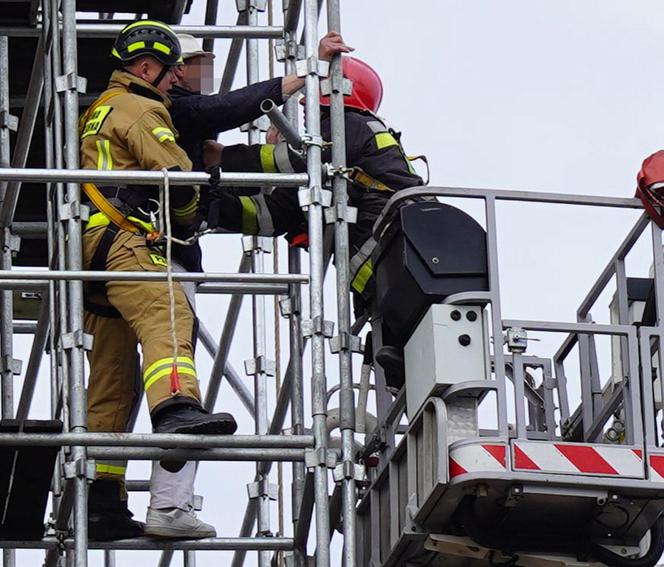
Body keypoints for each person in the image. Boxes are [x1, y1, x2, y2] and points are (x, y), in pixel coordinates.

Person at [79, 19, 236, 541]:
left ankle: (101, 499)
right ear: (147, 67)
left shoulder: (100, 109)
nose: (177, 81)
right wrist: (192, 213)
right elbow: (176, 177)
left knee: (111, 378)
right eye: (171, 71)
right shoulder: (142, 108)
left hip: (94, 249)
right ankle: (175, 410)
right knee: (169, 319)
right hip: (130, 243)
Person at [201, 56, 424, 309]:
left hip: (397, 265)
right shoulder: (333, 177)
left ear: (337, 95)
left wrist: (224, 156)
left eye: (313, 93)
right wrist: (207, 205)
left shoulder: (353, 126)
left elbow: (299, 161)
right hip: (388, 282)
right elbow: (274, 214)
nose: (305, 102)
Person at [164, 31, 353, 274]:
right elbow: (229, 107)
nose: (208, 73)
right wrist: (308, 71)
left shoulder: (189, 132)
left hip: (176, 252)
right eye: (201, 65)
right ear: (179, 69)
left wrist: (244, 160)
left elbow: (230, 191)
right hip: (163, 252)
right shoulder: (173, 108)